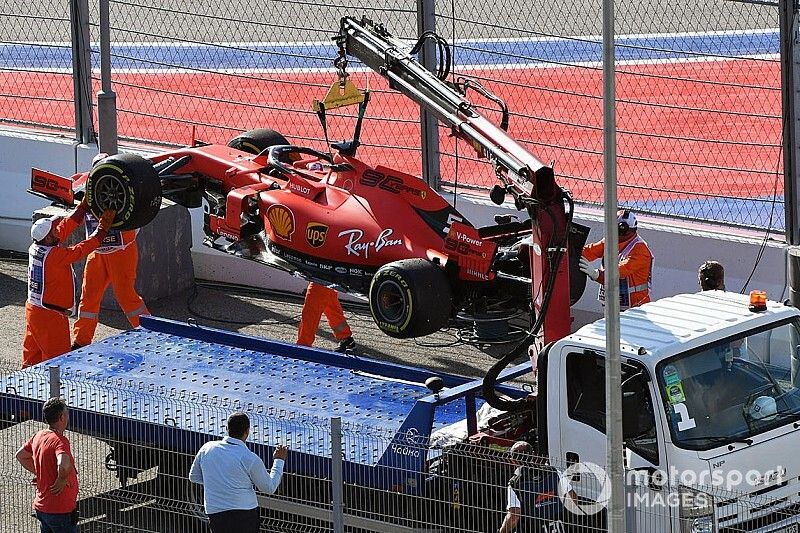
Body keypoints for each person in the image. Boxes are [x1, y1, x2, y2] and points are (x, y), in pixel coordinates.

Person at [23, 201, 115, 368]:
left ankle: (16, 391)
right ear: (49, 238)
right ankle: (57, 393)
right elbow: (82, 249)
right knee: (59, 363)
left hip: (34, 311)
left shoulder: (37, 247)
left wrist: (83, 207)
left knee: (31, 361)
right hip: (50, 317)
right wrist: (102, 230)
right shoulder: (55, 256)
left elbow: (65, 226)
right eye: (53, 229)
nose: (57, 229)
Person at [72, 153, 149, 349]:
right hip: (96, 252)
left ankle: (150, 335)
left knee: (126, 296)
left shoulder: (124, 187)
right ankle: (81, 341)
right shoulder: (86, 187)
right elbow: (70, 192)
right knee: (88, 298)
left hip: (121, 252)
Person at [189, 412, 288, 533]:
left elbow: (193, 477)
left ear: (226, 428)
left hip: (216, 514)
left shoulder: (207, 448)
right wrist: (279, 461)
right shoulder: (250, 458)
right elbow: (269, 487)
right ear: (247, 431)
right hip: (245, 516)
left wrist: (218, 482)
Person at [15, 398, 79, 533]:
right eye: (66, 413)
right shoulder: (60, 441)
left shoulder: (39, 435)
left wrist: (40, 473)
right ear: (62, 417)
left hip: (43, 507)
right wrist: (62, 479)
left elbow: (21, 455)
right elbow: (63, 464)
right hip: (60, 510)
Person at [579, 209, 654, 310]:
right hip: (615, 305)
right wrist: (570, 254)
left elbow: (618, 273)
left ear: (623, 230)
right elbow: (589, 251)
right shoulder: (611, 241)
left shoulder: (640, 251)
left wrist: (596, 274)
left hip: (636, 308)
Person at [499, 441, 576, 533]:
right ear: (533, 455)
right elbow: (573, 499)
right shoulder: (554, 472)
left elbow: (514, 516)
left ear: (513, 460)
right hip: (560, 526)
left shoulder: (515, 483)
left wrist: (502, 531)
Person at [296, 282, 356, 353]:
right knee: (330, 306)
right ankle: (345, 336)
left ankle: (303, 345)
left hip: (319, 276)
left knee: (311, 311)